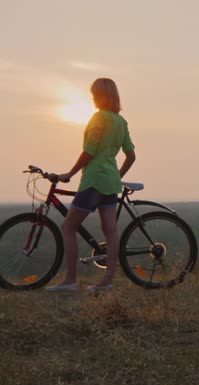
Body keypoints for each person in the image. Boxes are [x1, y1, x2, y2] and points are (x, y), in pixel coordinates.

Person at [46, 78, 136, 292]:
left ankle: (70, 281)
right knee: (111, 232)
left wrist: (69, 173)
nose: (92, 97)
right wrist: (116, 175)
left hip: (94, 179)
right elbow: (131, 156)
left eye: (94, 94)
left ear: (100, 95)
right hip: (110, 182)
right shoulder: (120, 121)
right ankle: (107, 282)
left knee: (68, 226)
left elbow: (89, 152)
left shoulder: (98, 118)